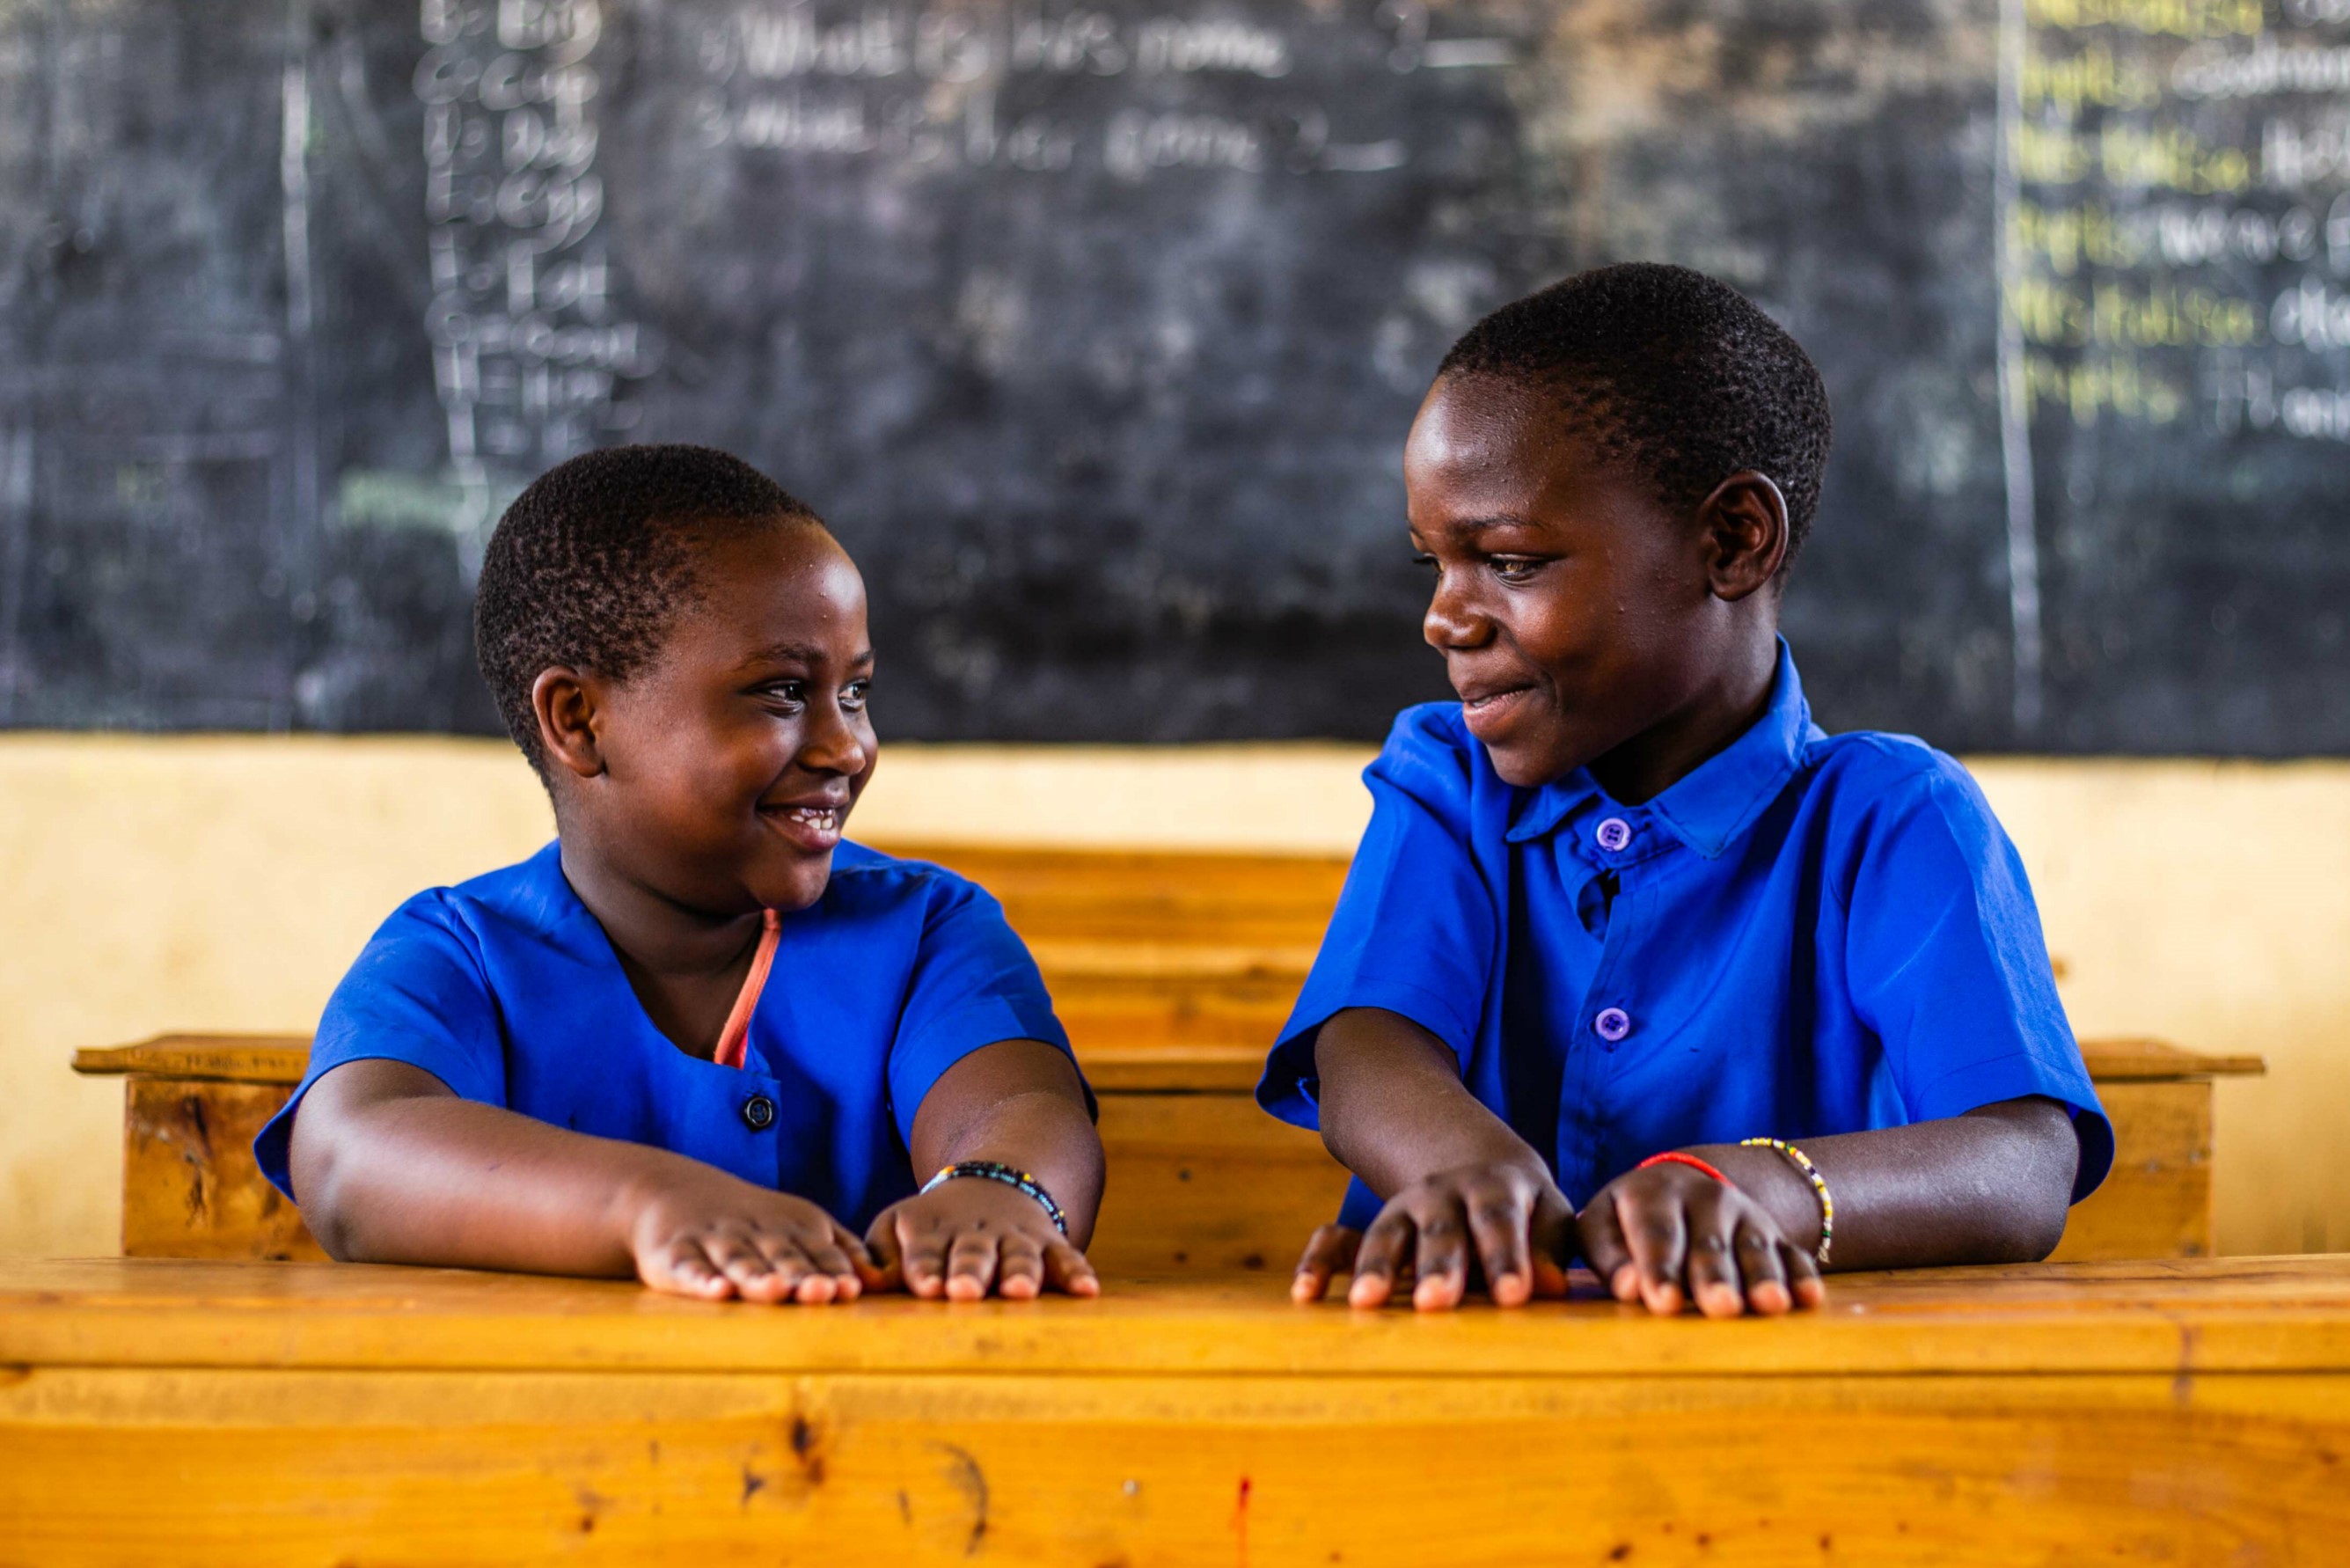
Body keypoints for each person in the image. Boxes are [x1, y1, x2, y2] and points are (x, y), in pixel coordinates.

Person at [1263, 264, 2111, 1317]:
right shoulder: (1449, 777)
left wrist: (1762, 1187)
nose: (1445, 618)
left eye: (1511, 562)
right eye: (1432, 564)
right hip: (1461, 1375)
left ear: (1732, 541)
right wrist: (1471, 1173)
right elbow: (1366, 1046)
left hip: (1782, 1384)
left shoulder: (1892, 819)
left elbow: (2023, 1163)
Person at [256, 445, 1103, 1304]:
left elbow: (1024, 1108)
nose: (847, 747)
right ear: (579, 720)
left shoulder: (926, 930)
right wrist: (646, 1203)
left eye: (854, 693)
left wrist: (1000, 1190)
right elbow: (349, 1156)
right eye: (781, 692)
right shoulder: (459, 952)